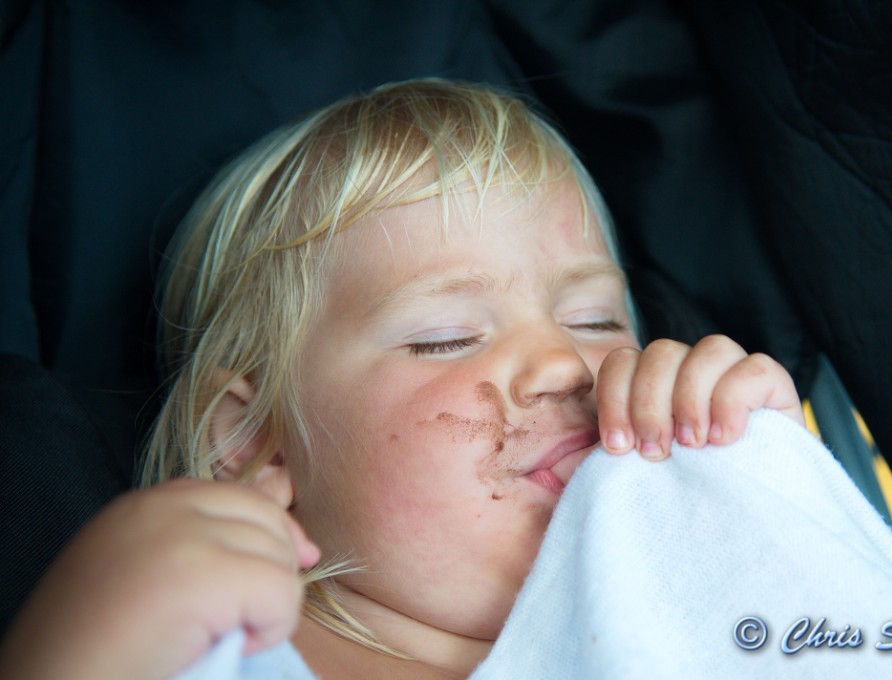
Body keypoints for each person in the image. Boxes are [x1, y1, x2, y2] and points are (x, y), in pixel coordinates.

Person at [0, 79, 804, 679]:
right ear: (256, 442)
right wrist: (87, 642)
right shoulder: (216, 644)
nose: (567, 365)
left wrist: (779, 509)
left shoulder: (707, 616)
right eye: (445, 339)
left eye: (596, 320)